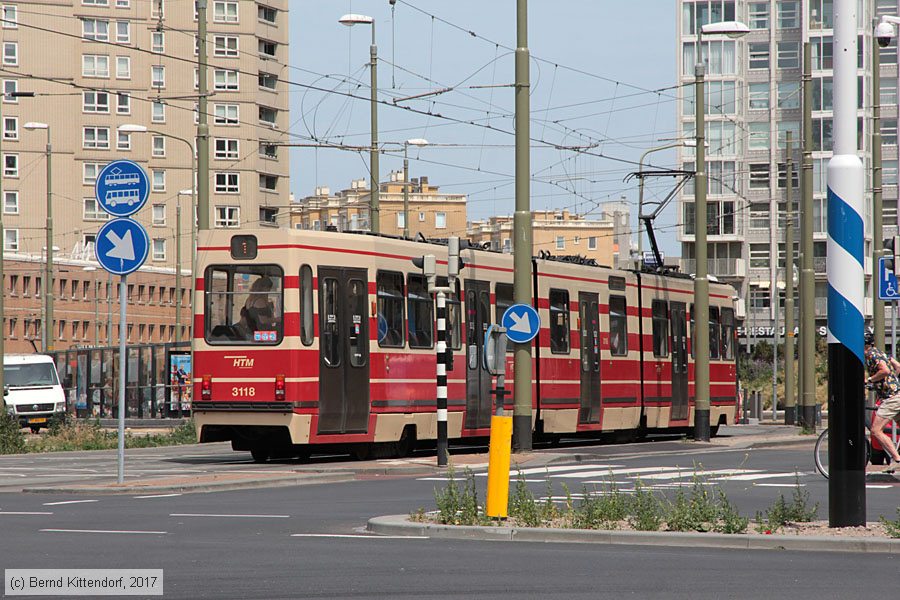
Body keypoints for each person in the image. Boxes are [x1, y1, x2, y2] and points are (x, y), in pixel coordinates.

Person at [863, 331, 900, 472]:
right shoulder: (882, 353)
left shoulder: (871, 355)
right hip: (897, 394)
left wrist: (871, 380)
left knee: (876, 430)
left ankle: (896, 459)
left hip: (890, 398)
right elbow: (898, 367)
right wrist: (890, 382)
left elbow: (884, 371)